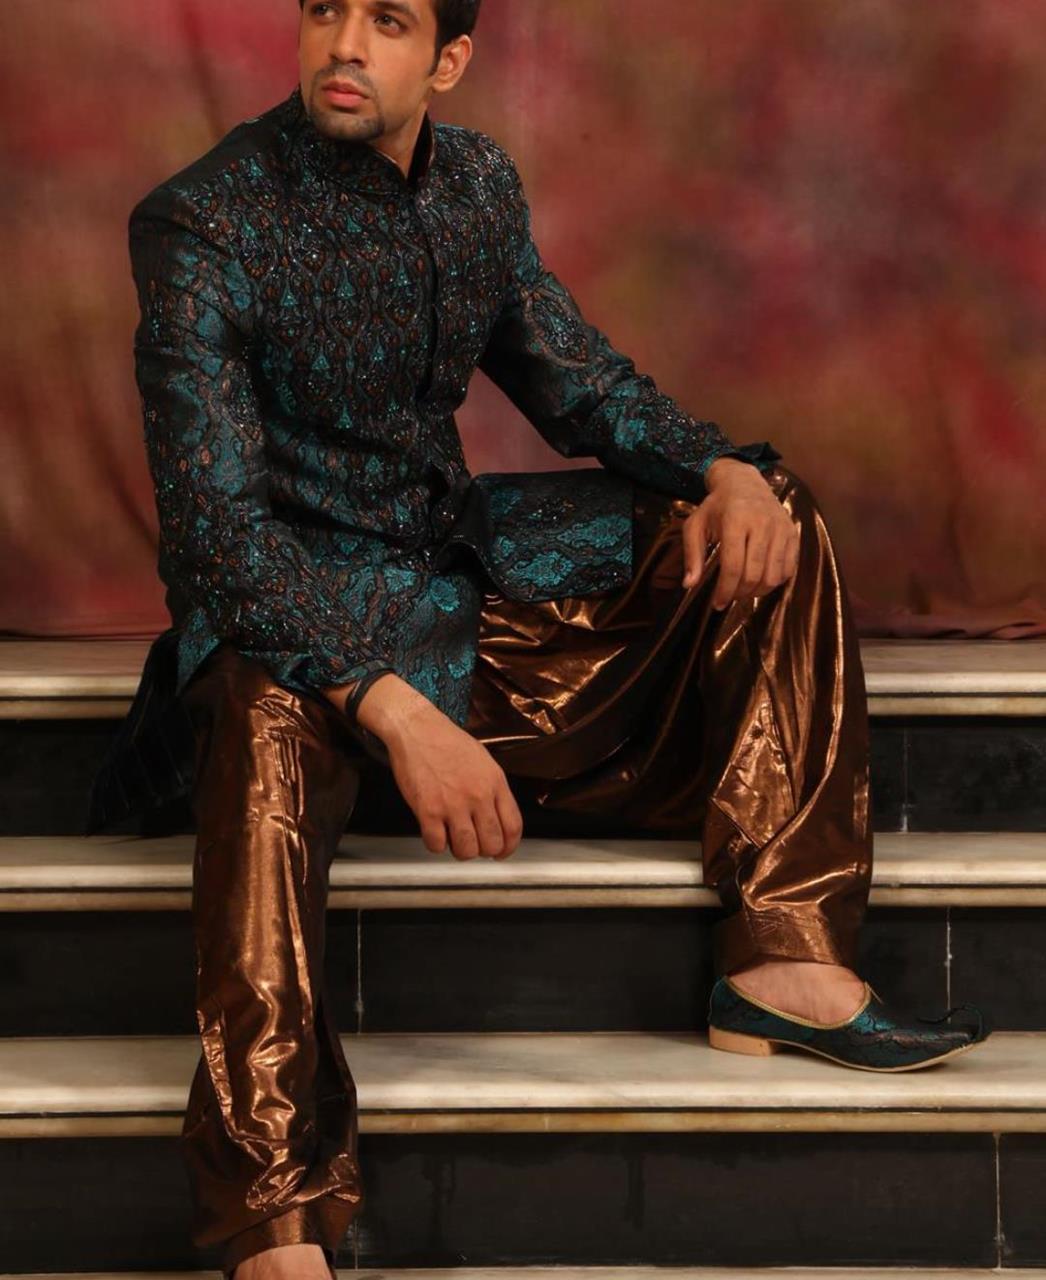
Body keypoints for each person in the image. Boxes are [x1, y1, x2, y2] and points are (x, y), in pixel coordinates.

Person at [87, 0, 990, 1275]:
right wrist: (395, 710)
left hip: (451, 574)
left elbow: (579, 384)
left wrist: (719, 467)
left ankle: (783, 959)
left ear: (447, 60)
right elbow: (216, 542)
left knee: (765, 513)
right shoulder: (204, 221)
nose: (344, 45)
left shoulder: (475, 185)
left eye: (387, 20)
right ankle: (275, 1217)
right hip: (290, 628)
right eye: (324, 10)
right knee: (261, 704)